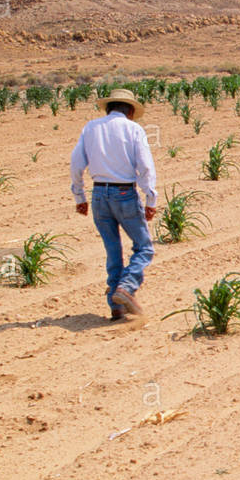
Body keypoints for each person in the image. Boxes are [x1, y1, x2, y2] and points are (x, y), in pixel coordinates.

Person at [69, 88, 158, 320]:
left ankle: (116, 307)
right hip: (124, 193)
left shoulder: (91, 128)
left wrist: (80, 197)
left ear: (109, 108)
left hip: (99, 194)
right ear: (129, 111)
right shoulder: (134, 129)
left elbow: (76, 163)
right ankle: (126, 288)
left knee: (112, 250)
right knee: (144, 247)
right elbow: (145, 166)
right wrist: (151, 198)